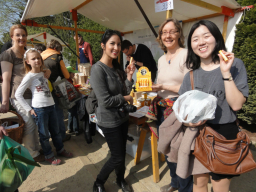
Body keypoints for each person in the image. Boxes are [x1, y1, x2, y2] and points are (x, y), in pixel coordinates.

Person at [179, 20, 248, 192]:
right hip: (199, 134)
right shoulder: (191, 76)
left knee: (220, 188)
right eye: (195, 39)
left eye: (206, 36)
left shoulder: (235, 65)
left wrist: (225, 73)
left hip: (225, 135)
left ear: (216, 38)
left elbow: (237, 105)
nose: (201, 42)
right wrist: (188, 122)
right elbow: (182, 109)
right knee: (199, 184)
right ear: (191, 46)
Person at [148, 18, 192, 192]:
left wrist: (163, 86)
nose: (168, 35)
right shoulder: (161, 59)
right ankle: (175, 183)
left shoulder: (186, 54)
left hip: (179, 111)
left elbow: (190, 86)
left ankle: (185, 188)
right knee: (166, 149)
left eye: (172, 31)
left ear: (179, 34)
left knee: (181, 152)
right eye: (164, 32)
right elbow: (159, 84)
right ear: (160, 37)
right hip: (162, 110)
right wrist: (151, 87)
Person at [90, 29, 135, 192]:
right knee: (116, 156)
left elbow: (126, 91)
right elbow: (106, 101)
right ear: (103, 45)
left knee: (121, 153)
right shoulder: (97, 70)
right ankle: (99, 182)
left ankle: (120, 180)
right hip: (109, 121)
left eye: (118, 44)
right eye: (112, 44)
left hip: (122, 117)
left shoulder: (116, 68)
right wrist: (126, 99)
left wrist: (129, 77)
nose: (116, 48)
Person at [0, 24, 50, 162]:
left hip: (34, 94)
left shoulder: (28, 52)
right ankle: (32, 154)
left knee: (34, 122)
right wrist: (4, 102)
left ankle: (34, 148)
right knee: (29, 122)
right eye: (18, 35)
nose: (21, 37)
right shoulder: (7, 54)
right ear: (12, 37)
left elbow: (38, 67)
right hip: (18, 95)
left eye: (23, 35)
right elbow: (6, 79)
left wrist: (47, 70)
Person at [15, 48, 73, 165]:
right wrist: (29, 109)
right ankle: (48, 155)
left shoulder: (44, 73)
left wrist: (48, 71)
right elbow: (18, 94)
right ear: (27, 62)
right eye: (33, 59)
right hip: (39, 109)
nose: (37, 60)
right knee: (44, 134)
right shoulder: (29, 76)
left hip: (51, 106)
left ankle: (60, 149)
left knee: (55, 131)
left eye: (38, 58)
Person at [41, 39, 71, 142]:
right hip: (55, 88)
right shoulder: (57, 57)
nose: (60, 52)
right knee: (58, 113)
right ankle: (61, 136)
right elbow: (66, 75)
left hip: (42, 90)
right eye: (59, 50)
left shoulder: (40, 56)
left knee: (48, 114)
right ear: (55, 48)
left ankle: (51, 135)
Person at [66, 66, 80, 136]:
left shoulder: (68, 80)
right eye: (72, 74)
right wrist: (77, 88)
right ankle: (76, 130)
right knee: (74, 114)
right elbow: (71, 90)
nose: (74, 75)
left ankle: (70, 128)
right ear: (68, 73)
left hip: (69, 100)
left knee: (71, 114)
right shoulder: (67, 81)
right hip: (71, 100)